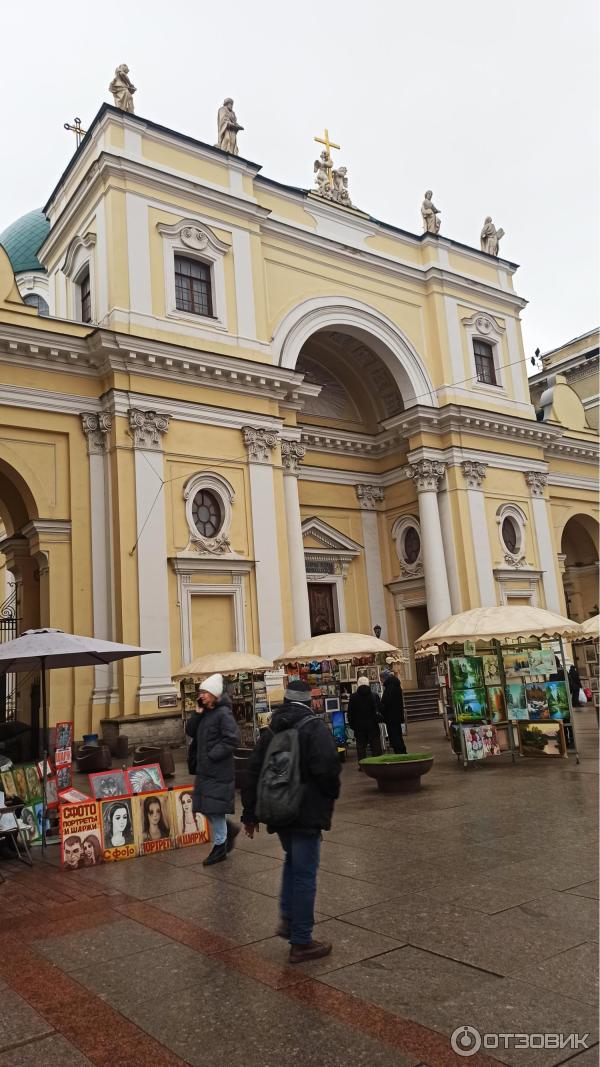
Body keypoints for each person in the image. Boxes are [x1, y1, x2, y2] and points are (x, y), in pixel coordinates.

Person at [241, 680, 341, 964]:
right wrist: (330, 795)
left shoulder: (270, 729)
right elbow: (327, 769)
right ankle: (301, 939)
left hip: (278, 810)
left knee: (291, 861)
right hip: (306, 812)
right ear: (309, 700)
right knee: (306, 873)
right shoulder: (314, 727)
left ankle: (287, 917)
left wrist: (250, 814)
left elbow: (252, 772)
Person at [186, 673, 240, 866]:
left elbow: (232, 738)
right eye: (200, 692)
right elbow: (190, 731)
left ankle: (220, 846)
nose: (201, 695)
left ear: (214, 694)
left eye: (205, 692)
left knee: (214, 808)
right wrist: (197, 714)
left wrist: (212, 755)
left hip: (218, 769)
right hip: (205, 769)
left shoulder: (223, 713)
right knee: (204, 806)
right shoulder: (206, 712)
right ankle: (227, 830)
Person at [347, 676, 382, 768]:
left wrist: (352, 725)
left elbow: (350, 713)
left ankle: (363, 766)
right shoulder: (374, 696)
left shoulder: (353, 697)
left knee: (361, 747)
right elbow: (380, 709)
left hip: (359, 727)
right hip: (372, 725)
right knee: (375, 745)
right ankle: (378, 764)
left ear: (358, 684)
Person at [380, 669, 407, 754]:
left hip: (391, 717)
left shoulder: (390, 687)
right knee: (398, 735)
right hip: (397, 715)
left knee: (394, 736)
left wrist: (381, 707)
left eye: (381, 679)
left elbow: (386, 701)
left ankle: (400, 753)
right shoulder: (395, 685)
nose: (380, 681)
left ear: (384, 678)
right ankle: (402, 752)